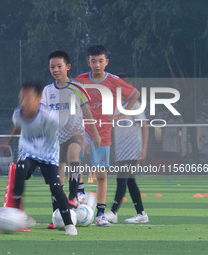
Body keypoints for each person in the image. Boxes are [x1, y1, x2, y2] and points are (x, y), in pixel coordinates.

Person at [76, 44, 140, 226]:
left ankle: (100, 215)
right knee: (74, 160)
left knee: (101, 175)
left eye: (100, 61)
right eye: (93, 61)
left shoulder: (113, 80)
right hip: (83, 129)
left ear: (106, 62)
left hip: (103, 132)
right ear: (88, 62)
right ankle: (79, 193)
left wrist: (121, 113)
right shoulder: (80, 80)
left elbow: (134, 94)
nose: (97, 65)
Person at [3, 79, 78, 235]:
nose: (24, 102)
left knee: (56, 188)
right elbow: (17, 126)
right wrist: (7, 140)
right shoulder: (18, 114)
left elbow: (65, 126)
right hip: (28, 152)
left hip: (48, 155)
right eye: (21, 98)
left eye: (28, 98)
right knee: (21, 169)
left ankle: (69, 225)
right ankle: (17, 215)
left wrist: (76, 134)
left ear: (39, 99)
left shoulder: (49, 117)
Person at [40, 50, 101, 229]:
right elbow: (43, 113)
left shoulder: (77, 88)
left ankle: (74, 196)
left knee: (74, 154)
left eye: (59, 66)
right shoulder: (47, 90)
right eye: (52, 67)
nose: (56, 70)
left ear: (68, 67)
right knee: (57, 176)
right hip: (54, 137)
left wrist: (95, 134)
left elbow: (87, 111)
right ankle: (56, 214)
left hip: (76, 134)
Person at [104, 73, 149, 224]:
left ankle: (113, 212)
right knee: (130, 182)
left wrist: (143, 148)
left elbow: (144, 127)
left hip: (132, 150)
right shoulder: (114, 108)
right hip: (121, 151)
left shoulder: (135, 106)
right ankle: (141, 213)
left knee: (121, 179)